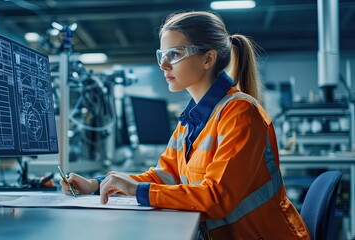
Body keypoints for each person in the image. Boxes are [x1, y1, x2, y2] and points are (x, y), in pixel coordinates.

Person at [60, 11, 310, 239]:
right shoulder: (191, 120)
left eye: (175, 54)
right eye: (162, 55)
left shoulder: (241, 112)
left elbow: (216, 198)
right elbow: (164, 176)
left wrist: (138, 190)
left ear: (208, 59)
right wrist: (97, 184)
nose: (164, 65)